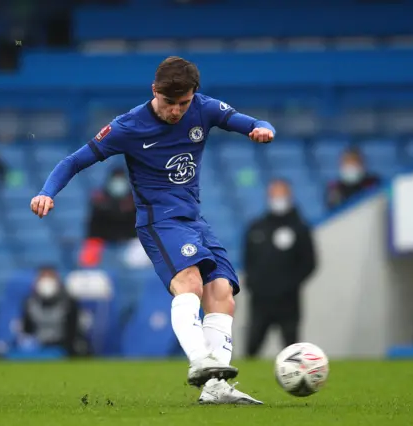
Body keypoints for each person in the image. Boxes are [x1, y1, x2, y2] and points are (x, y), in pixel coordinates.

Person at [30, 56, 275, 405]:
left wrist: (262, 129)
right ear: (154, 91)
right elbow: (73, 161)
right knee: (189, 282)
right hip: (159, 221)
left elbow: (252, 121)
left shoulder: (204, 109)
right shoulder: (127, 126)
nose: (176, 111)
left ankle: (216, 387)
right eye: (169, 102)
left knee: (222, 291)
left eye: (183, 103)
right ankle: (199, 361)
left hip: (193, 219)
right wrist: (46, 192)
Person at [243, 179, 316, 357]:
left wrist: (290, 285)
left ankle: (297, 380)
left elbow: (310, 262)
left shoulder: (299, 228)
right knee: (252, 345)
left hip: (288, 300)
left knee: (292, 348)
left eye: (281, 194)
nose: (278, 198)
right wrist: (253, 284)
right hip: (260, 300)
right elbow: (248, 260)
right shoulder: (256, 227)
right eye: (274, 194)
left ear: (289, 195)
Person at [20, 266, 84, 357]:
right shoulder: (29, 302)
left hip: (64, 348)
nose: (46, 281)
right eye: (43, 276)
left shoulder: (69, 302)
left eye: (50, 276)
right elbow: (26, 330)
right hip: (37, 349)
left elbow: (74, 330)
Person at [80, 167, 137, 267]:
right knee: (88, 256)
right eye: (116, 179)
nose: (118, 183)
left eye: (121, 179)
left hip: (132, 241)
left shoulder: (136, 198)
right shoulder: (100, 199)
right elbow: (93, 225)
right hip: (102, 239)